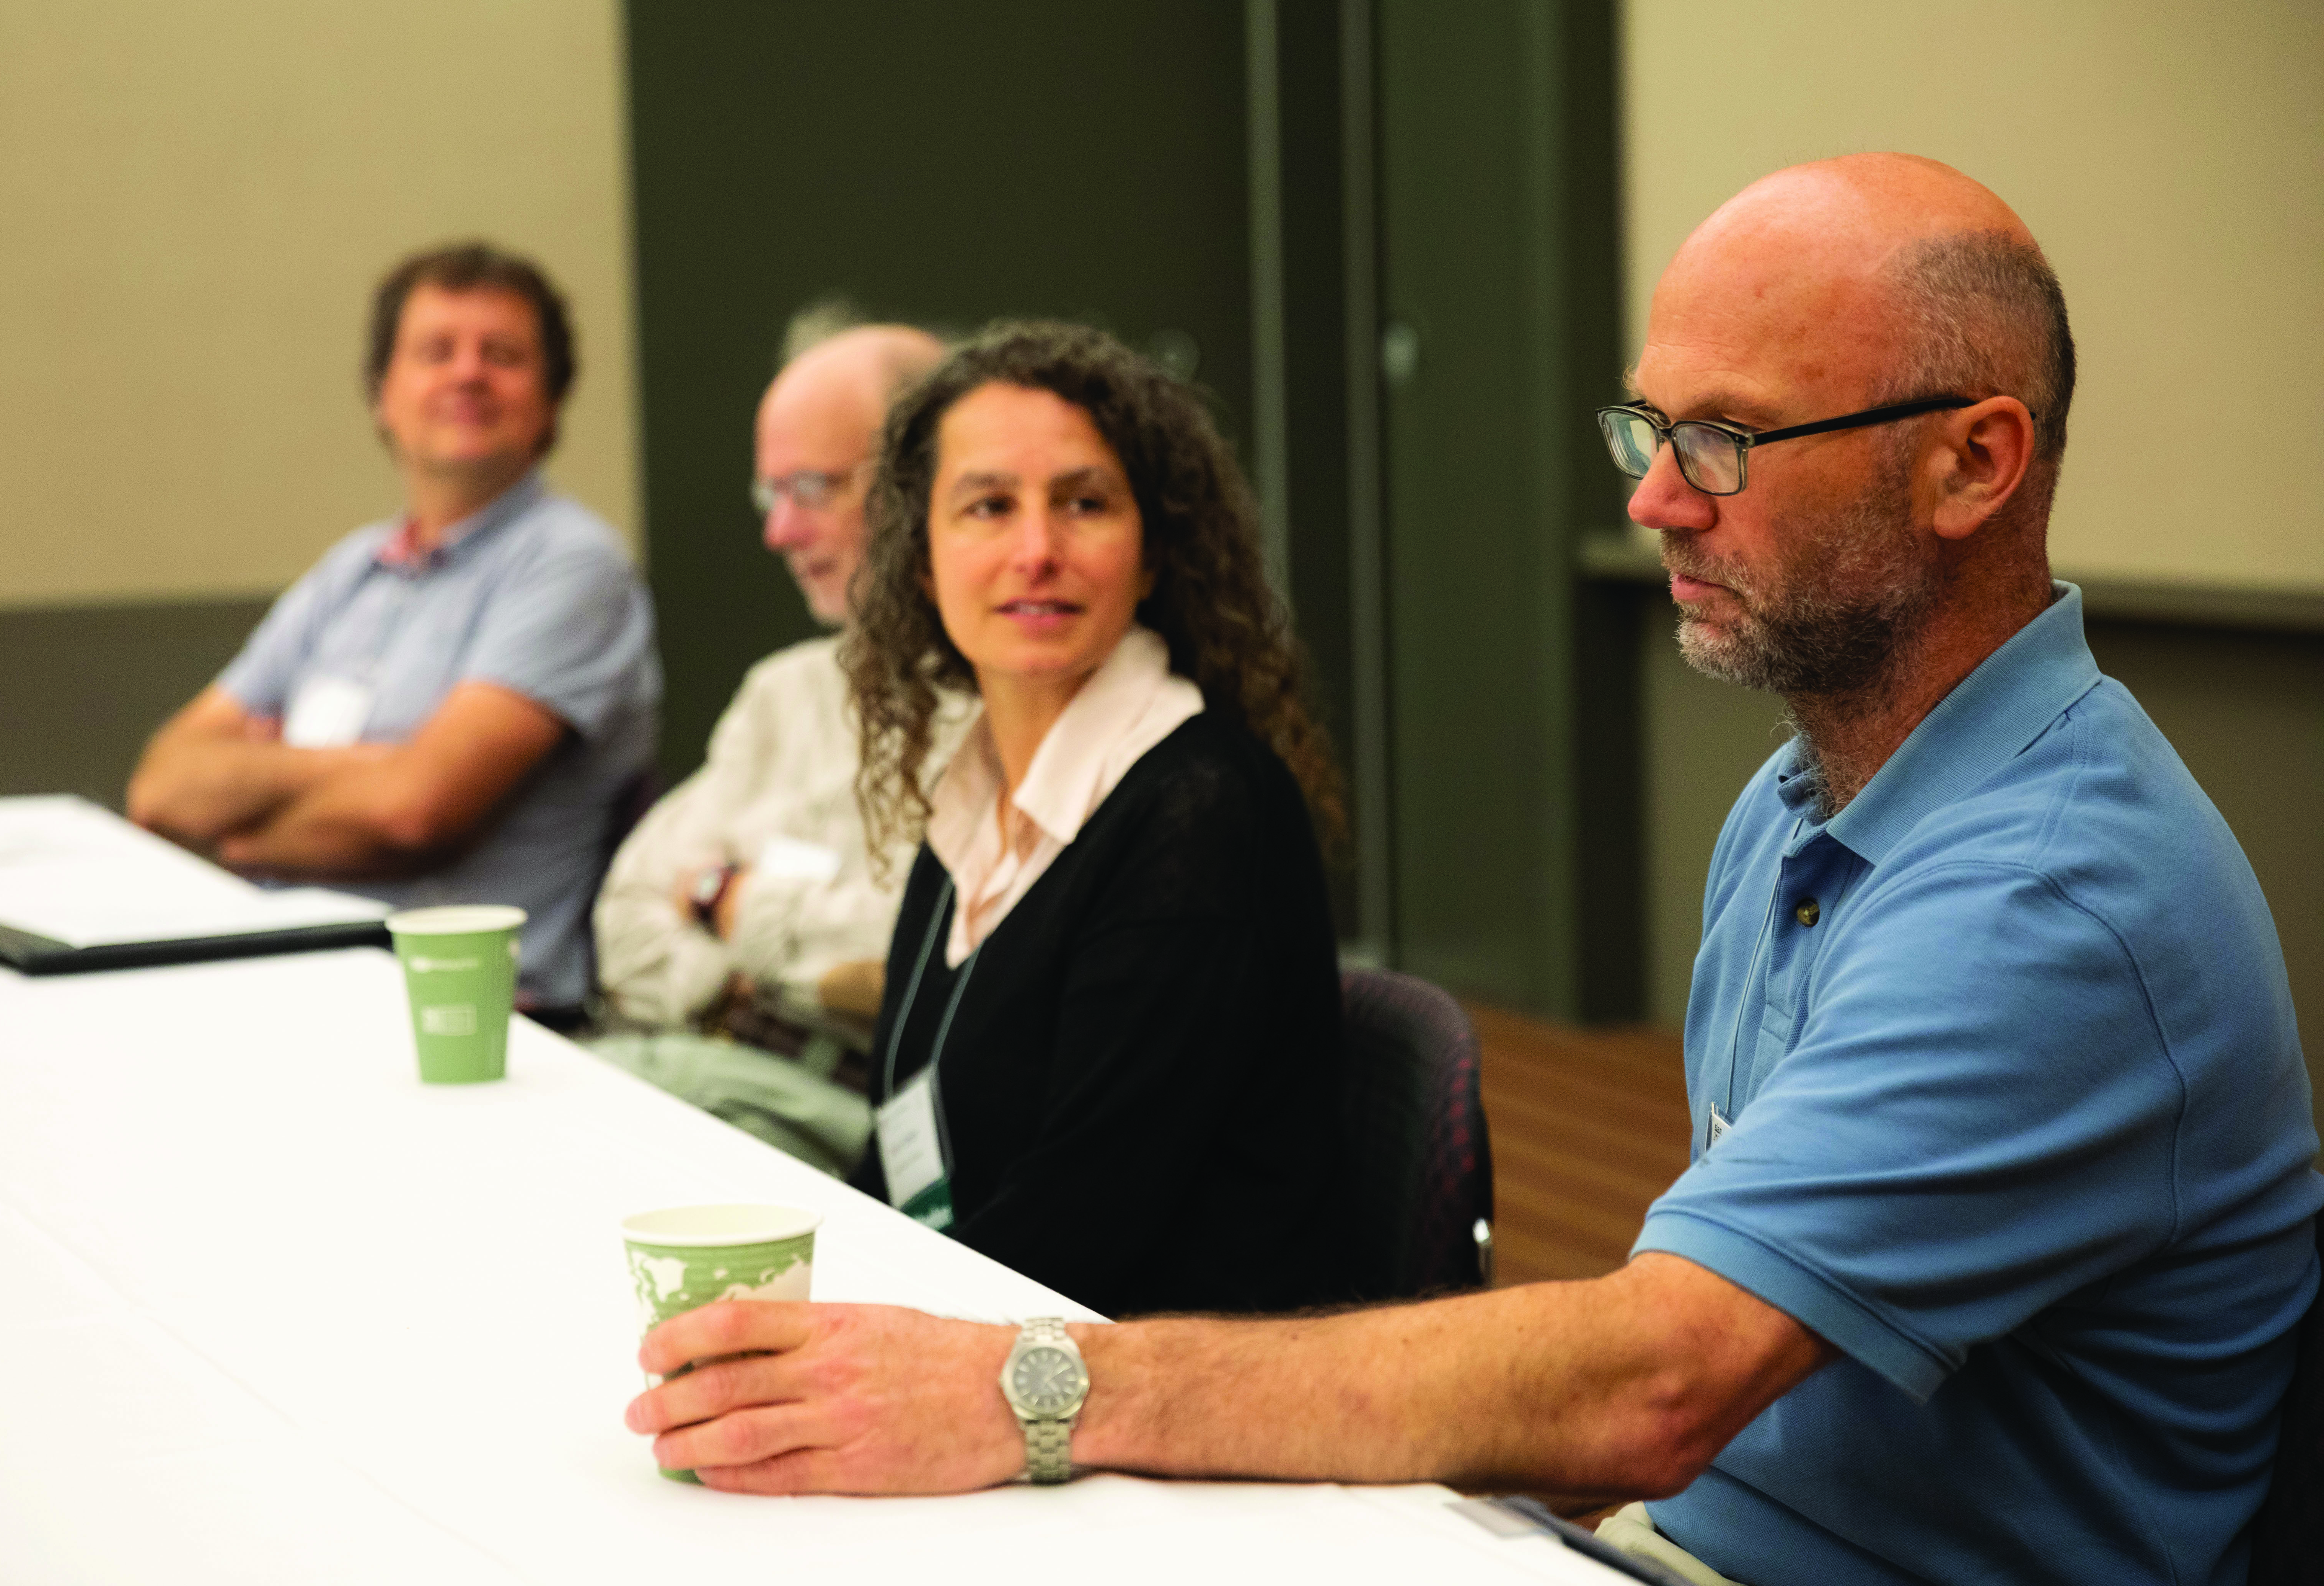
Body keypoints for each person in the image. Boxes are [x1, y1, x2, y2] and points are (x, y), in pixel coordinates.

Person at [622, 158, 2323, 1586]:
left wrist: (1034, 1389)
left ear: (1975, 463)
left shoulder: (2054, 897)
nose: (1657, 500)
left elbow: (1655, 1378)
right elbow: (1696, 1367)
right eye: (1646, 429)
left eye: (1727, 440)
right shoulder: (1804, 801)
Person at [826, 320, 1351, 1318]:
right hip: (985, 1338)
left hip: (1157, 1402)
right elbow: (899, 1142)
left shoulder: (1200, 815)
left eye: (1085, 504)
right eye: (988, 506)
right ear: (924, 562)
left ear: (1153, 554)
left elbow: (1080, 1230)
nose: (1037, 552)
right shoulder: (975, 791)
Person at [128, 243, 658, 1018]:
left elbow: (416, 812)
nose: (467, 373)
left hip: (475, 1019)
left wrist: (249, 824)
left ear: (552, 402)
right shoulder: (351, 571)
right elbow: (162, 786)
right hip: (288, 985)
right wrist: (369, 764)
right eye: (436, 352)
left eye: (503, 355)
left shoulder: (573, 565)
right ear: (383, 395)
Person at [590, 320, 948, 1172]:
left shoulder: (1008, 705)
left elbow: (918, 969)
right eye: (769, 495)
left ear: (926, 482)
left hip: (838, 1115)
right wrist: (745, 989)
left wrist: (729, 904)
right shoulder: (783, 692)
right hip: (679, 1062)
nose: (778, 534)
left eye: (811, 488)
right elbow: (627, 918)